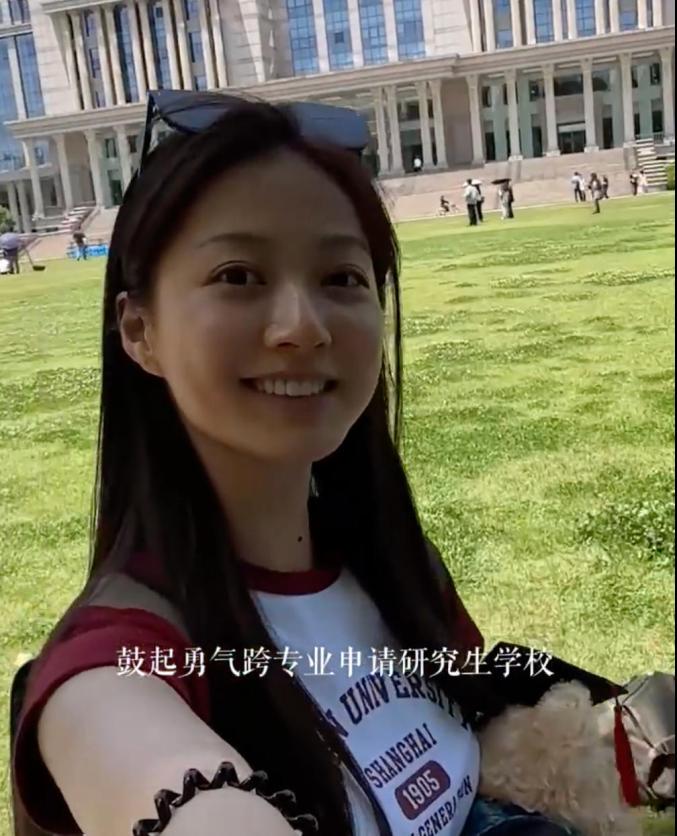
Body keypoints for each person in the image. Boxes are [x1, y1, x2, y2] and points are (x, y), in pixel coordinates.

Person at [10, 96, 588, 836]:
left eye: (341, 278)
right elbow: (151, 769)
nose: (303, 327)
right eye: (238, 275)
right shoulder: (115, 658)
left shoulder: (395, 566)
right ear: (138, 329)